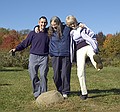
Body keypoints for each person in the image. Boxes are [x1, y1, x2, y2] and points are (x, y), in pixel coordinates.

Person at [9, 16, 49, 100]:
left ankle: (44, 95)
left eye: (45, 22)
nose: (43, 24)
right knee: (33, 75)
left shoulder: (48, 33)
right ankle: (37, 94)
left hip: (44, 57)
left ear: (47, 23)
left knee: (43, 75)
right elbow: (25, 43)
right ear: (39, 23)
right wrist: (16, 49)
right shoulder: (33, 33)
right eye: (41, 22)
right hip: (33, 56)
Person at [66, 15, 103, 100]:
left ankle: (98, 65)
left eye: (73, 23)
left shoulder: (82, 26)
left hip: (88, 45)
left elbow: (92, 34)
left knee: (92, 55)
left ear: (76, 21)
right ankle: (84, 92)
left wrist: (85, 27)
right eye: (70, 24)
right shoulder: (71, 33)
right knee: (80, 71)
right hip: (79, 50)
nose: (72, 25)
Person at [48, 16, 72, 99]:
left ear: (59, 23)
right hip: (55, 55)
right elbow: (41, 29)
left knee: (65, 74)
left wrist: (80, 24)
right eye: (52, 25)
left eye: (55, 24)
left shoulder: (67, 28)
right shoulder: (49, 31)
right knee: (56, 75)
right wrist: (36, 27)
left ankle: (65, 91)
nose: (54, 26)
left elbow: (74, 24)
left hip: (65, 55)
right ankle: (59, 89)